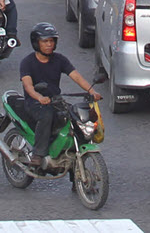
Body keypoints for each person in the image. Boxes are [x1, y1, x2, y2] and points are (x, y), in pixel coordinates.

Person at [17, 23, 100, 168]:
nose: (49, 44)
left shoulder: (59, 59)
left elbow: (76, 76)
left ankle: (74, 169)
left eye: (51, 41)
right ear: (36, 43)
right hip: (35, 103)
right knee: (47, 116)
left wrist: (91, 91)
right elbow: (28, 86)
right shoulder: (27, 62)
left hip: (55, 100)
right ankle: (38, 153)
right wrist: (39, 97)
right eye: (45, 41)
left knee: (75, 117)